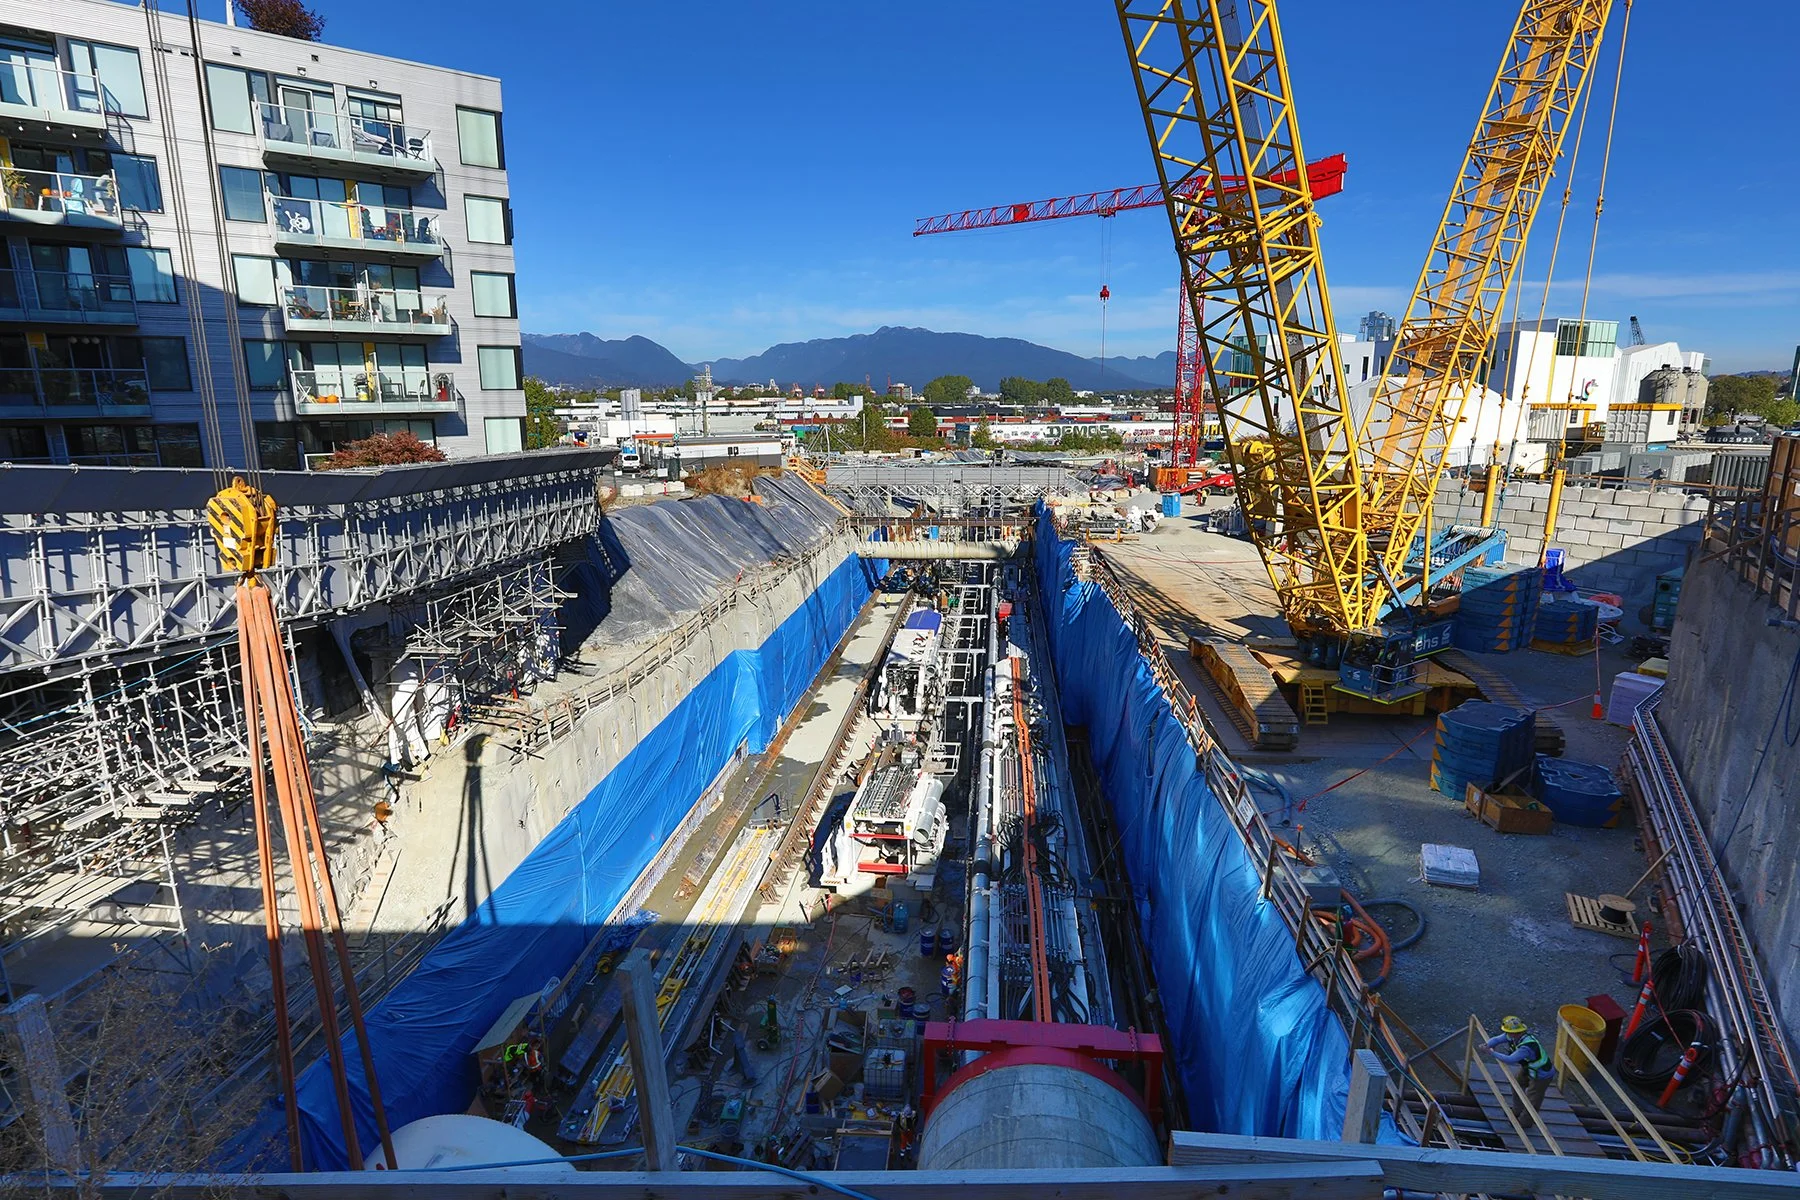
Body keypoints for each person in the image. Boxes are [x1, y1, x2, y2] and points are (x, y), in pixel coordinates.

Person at [1485, 1014, 1553, 1115]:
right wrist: (1487, 1045)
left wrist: (1491, 1052)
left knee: (1533, 1100)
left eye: (1508, 1032)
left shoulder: (1526, 1047)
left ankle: (1525, 1121)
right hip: (1529, 1068)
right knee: (1517, 1084)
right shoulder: (1513, 1036)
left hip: (1542, 1075)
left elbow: (1510, 1060)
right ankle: (1517, 1111)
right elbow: (1497, 1039)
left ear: (1515, 1033)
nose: (1506, 1034)